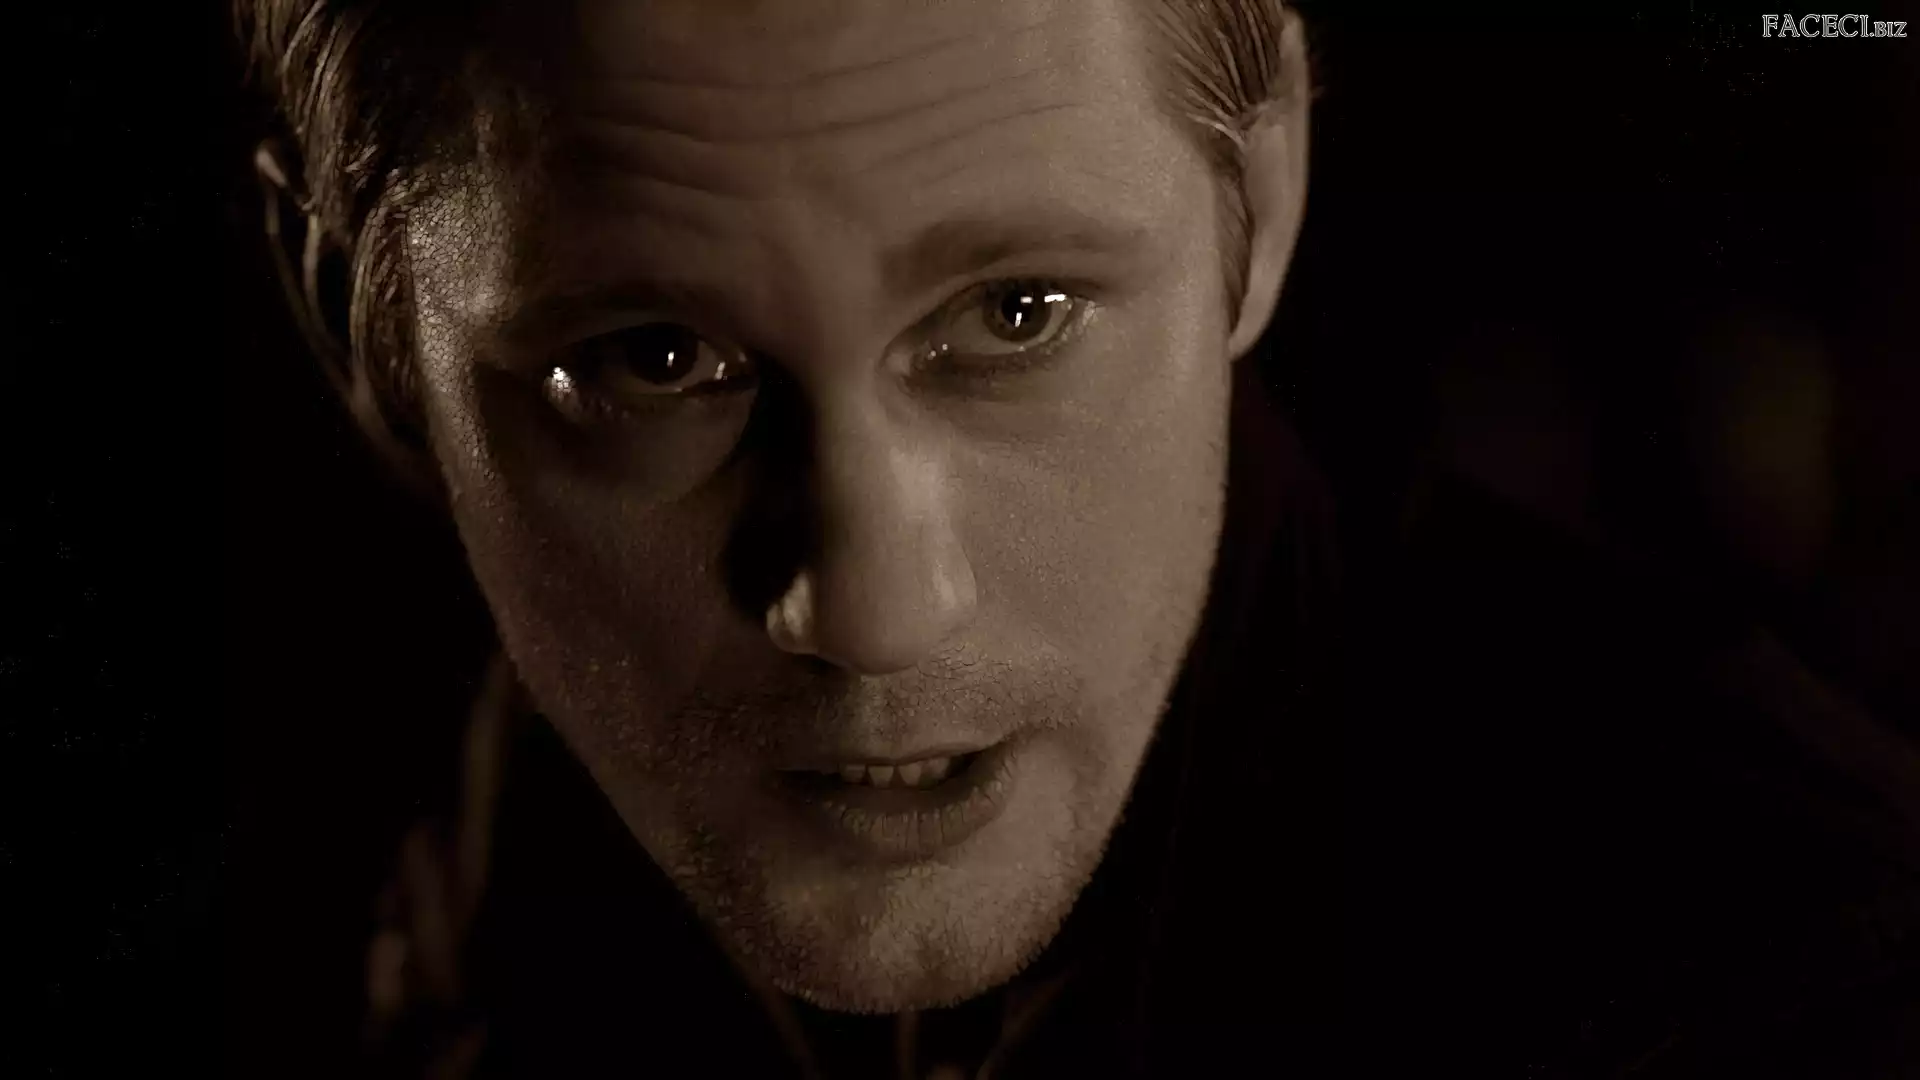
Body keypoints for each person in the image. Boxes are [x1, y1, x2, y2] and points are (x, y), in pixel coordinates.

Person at [236, 1, 1920, 1076]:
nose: (875, 610)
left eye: (1017, 313)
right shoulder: (469, 837)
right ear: (347, 322)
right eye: (653, 362)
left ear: (1259, 202)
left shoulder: (1794, 992)